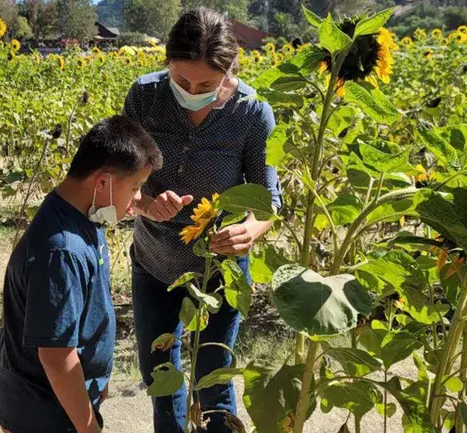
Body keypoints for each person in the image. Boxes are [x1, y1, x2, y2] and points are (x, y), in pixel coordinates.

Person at [123, 8, 282, 433]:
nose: (192, 91)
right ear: (167, 66)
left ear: (230, 71)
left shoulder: (252, 113)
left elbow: (268, 198)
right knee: (160, 376)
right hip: (155, 262)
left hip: (220, 269)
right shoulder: (144, 97)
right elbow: (121, 180)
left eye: (206, 85)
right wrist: (144, 203)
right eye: (181, 81)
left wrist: (251, 229)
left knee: (214, 381)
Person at [0, 116, 162, 433]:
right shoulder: (61, 251)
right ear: (102, 183)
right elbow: (57, 357)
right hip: (45, 413)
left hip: (61, 403)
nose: (139, 198)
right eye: (136, 188)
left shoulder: (81, 212)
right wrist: (88, 428)